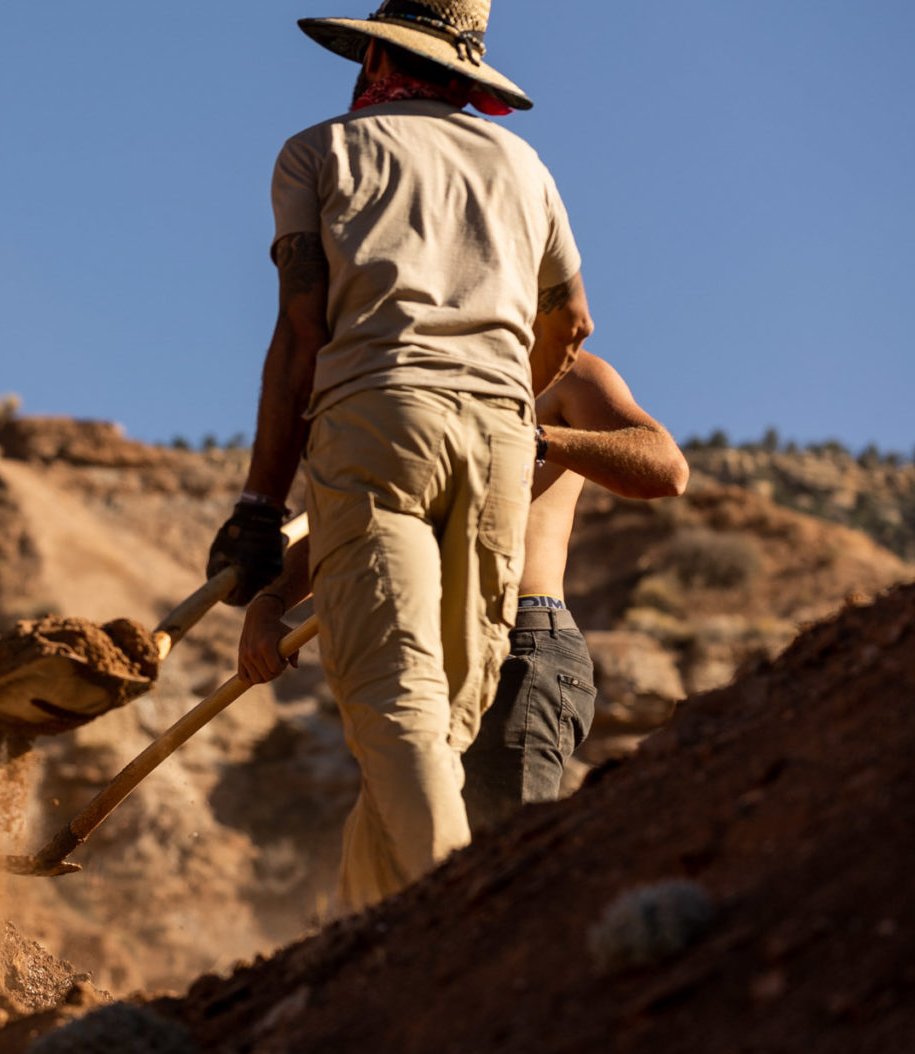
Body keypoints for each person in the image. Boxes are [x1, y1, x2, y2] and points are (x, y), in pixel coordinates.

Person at [206, 0, 593, 912]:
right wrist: (509, 392)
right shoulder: (525, 168)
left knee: (398, 705)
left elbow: (303, 332)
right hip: (502, 439)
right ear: (466, 78)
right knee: (445, 716)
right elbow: (573, 320)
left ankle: (452, 927)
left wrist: (261, 505)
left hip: (378, 418)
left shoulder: (319, 154)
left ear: (377, 51)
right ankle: (370, 945)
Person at [238, 351, 689, 836]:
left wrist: (532, 438)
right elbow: (346, 520)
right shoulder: (410, 385)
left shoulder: (563, 372)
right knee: (428, 866)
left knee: (499, 863)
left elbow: (665, 469)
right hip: (424, 664)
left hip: (518, 645)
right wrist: (270, 604)